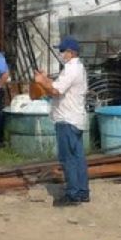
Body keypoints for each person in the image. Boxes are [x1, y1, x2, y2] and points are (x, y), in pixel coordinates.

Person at [34, 37, 90, 207]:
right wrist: (45, 79)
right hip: (75, 118)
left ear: (70, 53)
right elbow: (58, 85)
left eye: (62, 51)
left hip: (67, 119)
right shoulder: (76, 68)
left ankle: (73, 194)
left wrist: (42, 82)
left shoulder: (71, 69)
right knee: (78, 157)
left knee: (68, 159)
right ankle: (82, 191)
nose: (60, 54)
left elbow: (56, 91)